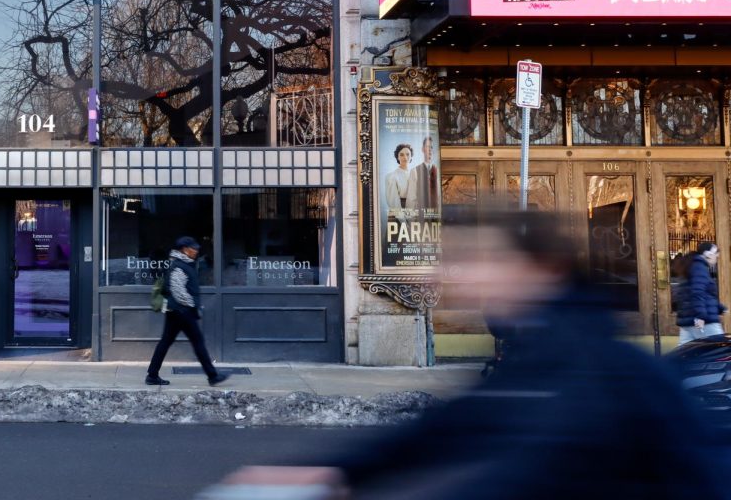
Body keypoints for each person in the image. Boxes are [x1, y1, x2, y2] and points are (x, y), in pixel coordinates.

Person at [205, 210, 730, 500]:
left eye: (484, 261)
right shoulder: (540, 354)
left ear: (541, 268)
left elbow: (524, 475)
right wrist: (333, 471)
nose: (463, 275)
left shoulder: (589, 369)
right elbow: (449, 428)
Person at [145, 236, 229, 387]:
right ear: (184, 249)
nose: (196, 251)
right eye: (193, 248)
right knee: (197, 342)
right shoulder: (179, 266)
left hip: (177, 311)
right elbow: (178, 291)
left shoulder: (184, 264)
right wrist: (192, 305)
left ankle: (152, 375)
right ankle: (212, 375)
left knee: (166, 342)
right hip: (182, 312)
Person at [677, 241, 725, 346]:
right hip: (703, 322)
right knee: (719, 350)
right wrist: (701, 316)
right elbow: (698, 292)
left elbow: (700, 292)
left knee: (685, 355)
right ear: (707, 254)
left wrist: (720, 307)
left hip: (688, 321)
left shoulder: (692, 266)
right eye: (715, 253)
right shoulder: (699, 268)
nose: (717, 256)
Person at [383, 143, 415, 221]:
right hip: (398, 214)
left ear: (411, 157)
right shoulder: (391, 176)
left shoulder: (415, 175)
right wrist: (403, 221)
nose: (405, 157)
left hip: (413, 213)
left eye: (408, 154)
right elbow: (394, 202)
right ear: (397, 157)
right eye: (401, 155)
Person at [409, 136, 439, 216]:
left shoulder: (437, 171)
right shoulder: (414, 171)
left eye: (432, 147)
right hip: (420, 218)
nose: (430, 150)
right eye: (428, 147)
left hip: (435, 217)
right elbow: (411, 200)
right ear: (423, 149)